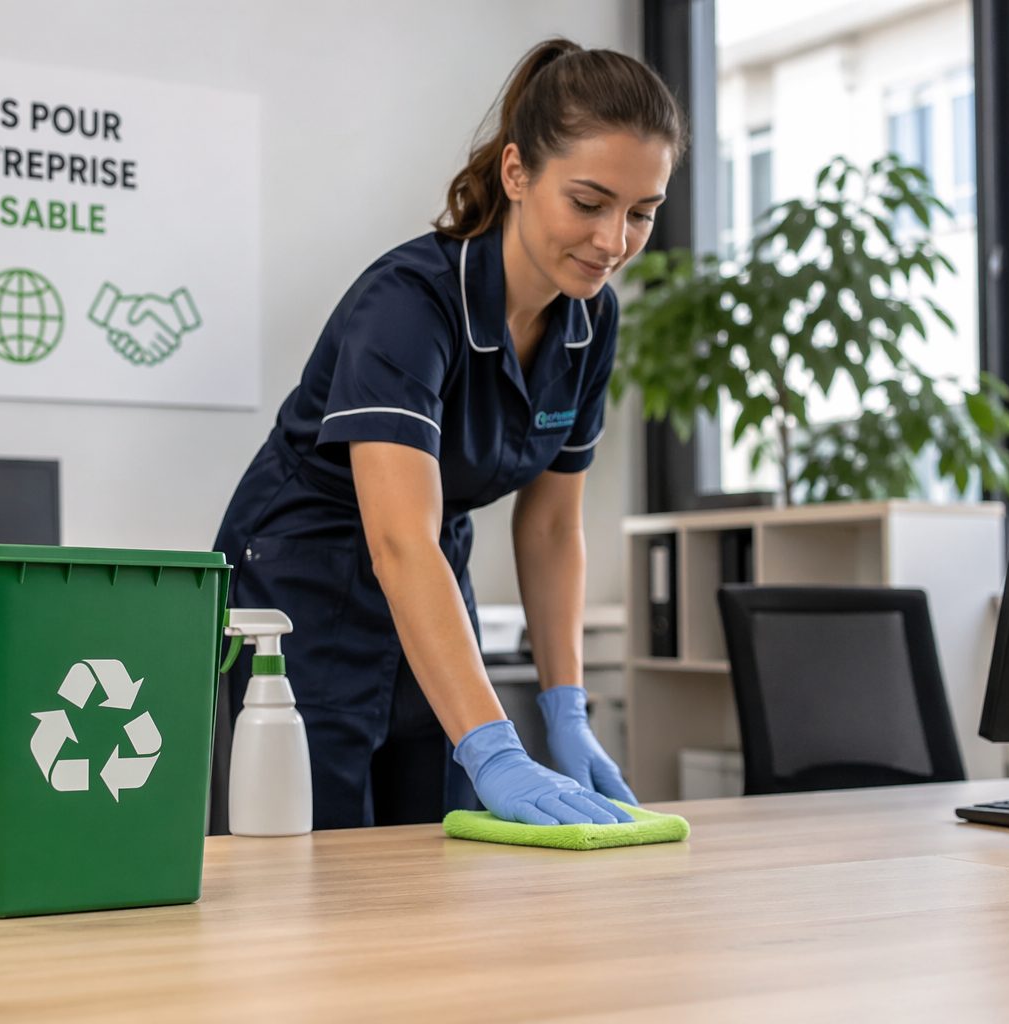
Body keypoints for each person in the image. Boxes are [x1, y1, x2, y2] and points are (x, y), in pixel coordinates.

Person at [214, 38, 685, 830]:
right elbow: (397, 538)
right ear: (516, 173)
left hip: (432, 572)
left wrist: (563, 707)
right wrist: (497, 745)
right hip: (303, 580)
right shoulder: (410, 304)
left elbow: (551, 526)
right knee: (309, 863)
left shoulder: (589, 321)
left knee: (442, 846)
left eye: (641, 213)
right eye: (590, 202)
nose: (614, 242)